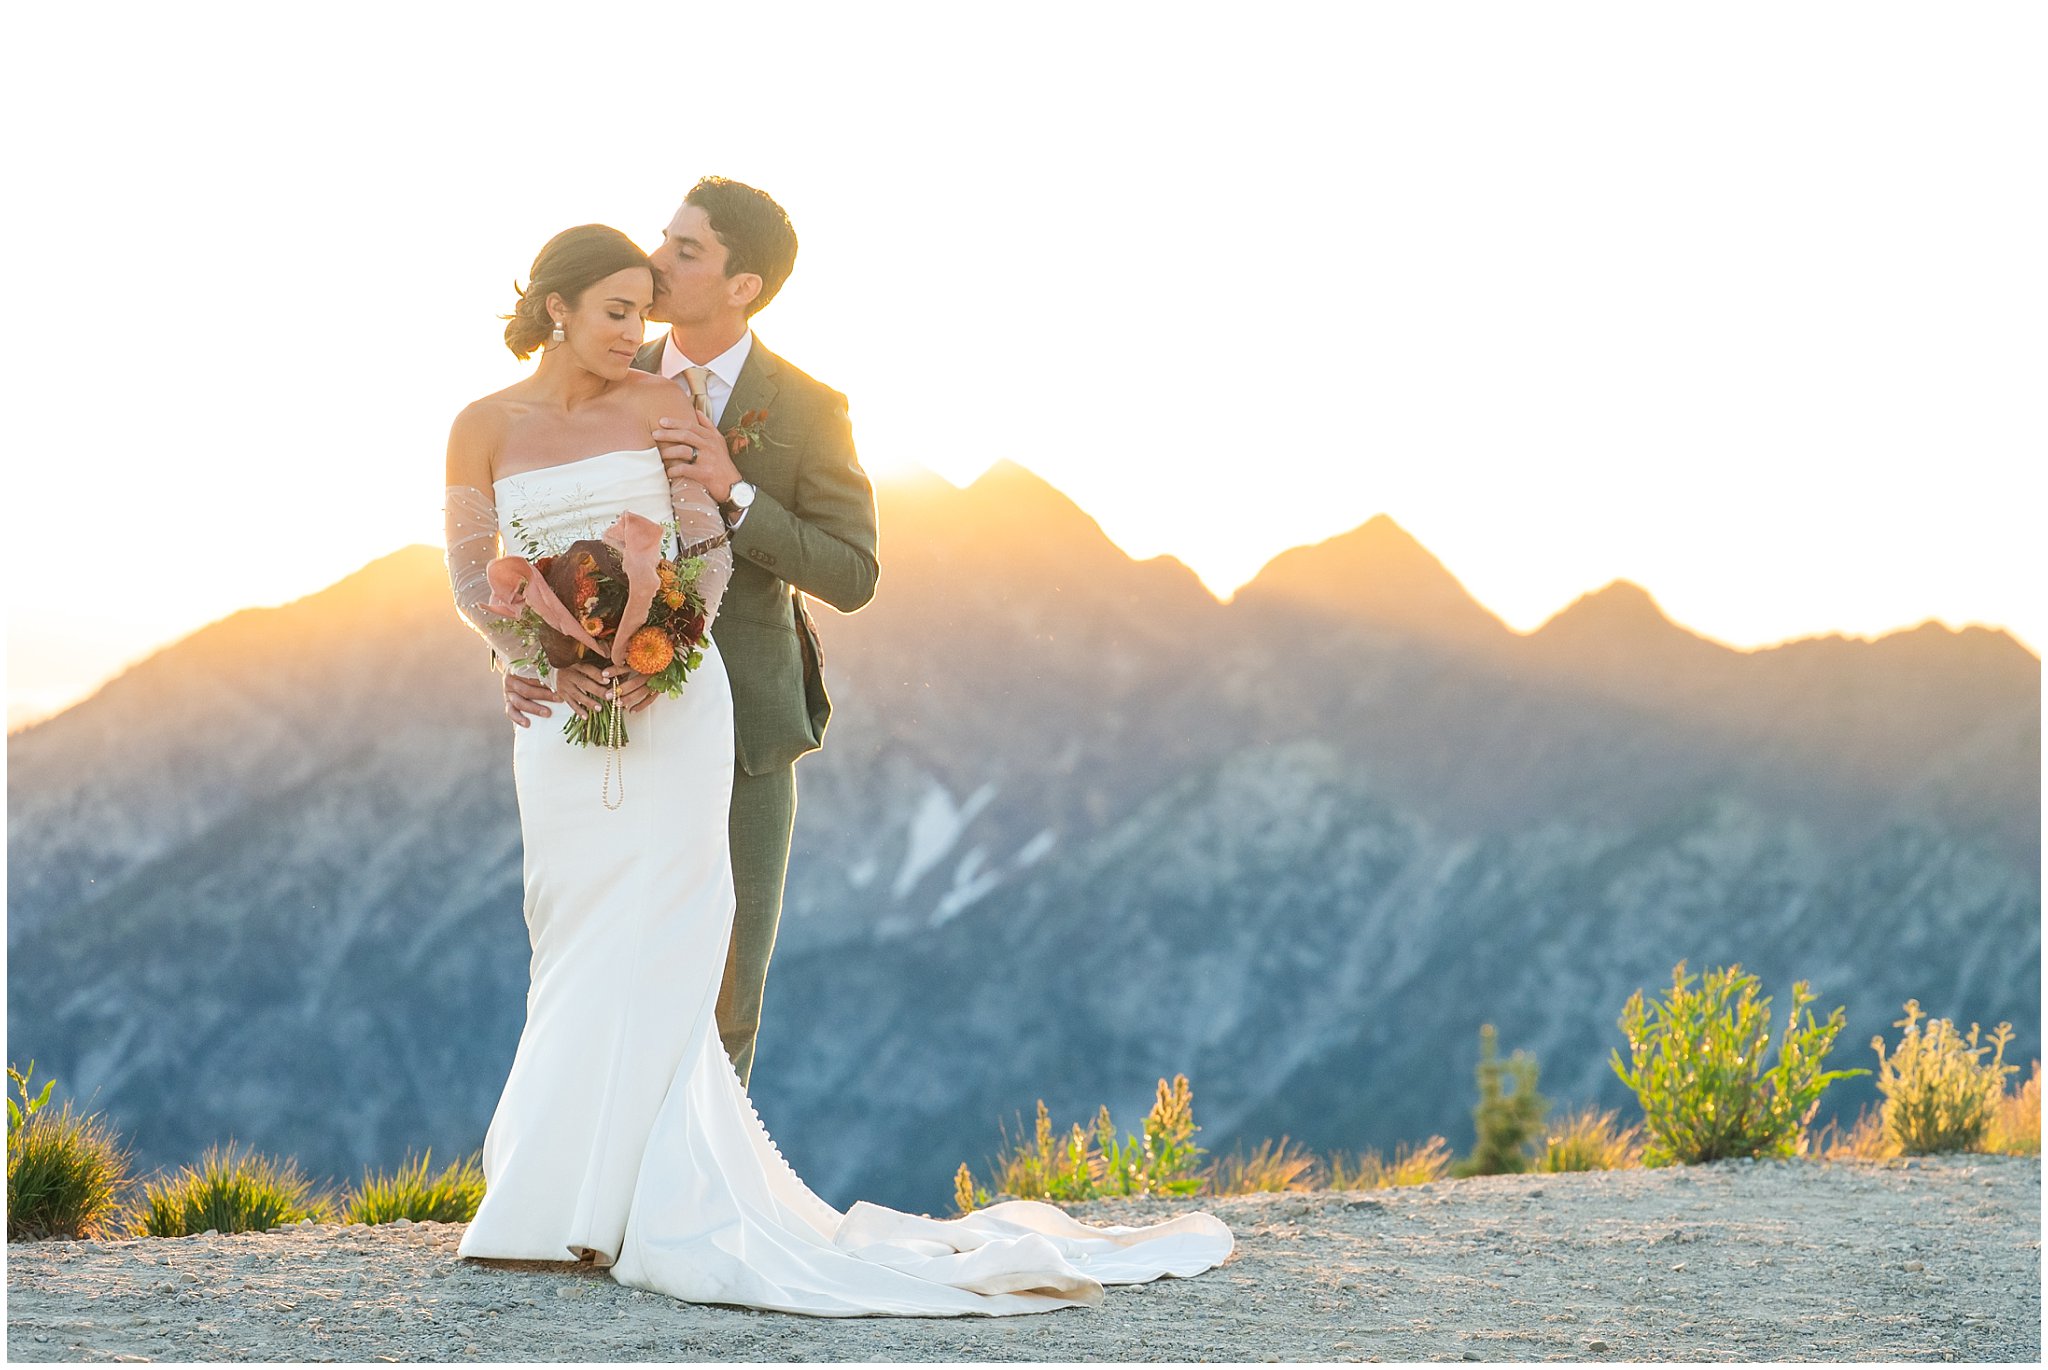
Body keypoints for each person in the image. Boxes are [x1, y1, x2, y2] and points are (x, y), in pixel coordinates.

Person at [443, 224, 1233, 1314]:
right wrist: (530, 656)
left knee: (668, 935)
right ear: (559, 306)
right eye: (619, 309)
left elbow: (704, 547)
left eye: (648, 303)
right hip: (555, 717)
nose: (640, 328)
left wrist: (649, 651)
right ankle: (542, 1202)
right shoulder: (480, 424)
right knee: (569, 931)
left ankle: (633, 1203)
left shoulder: (666, 408)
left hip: (674, 703)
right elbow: (469, 568)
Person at [500, 177, 864, 1091]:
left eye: (686, 250)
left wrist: (737, 490)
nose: (657, 262)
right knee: (608, 958)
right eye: (666, 239)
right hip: (612, 720)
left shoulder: (810, 409)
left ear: (743, 285)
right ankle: (602, 1196)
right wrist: (519, 654)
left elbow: (852, 574)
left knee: (729, 981)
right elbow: (532, 537)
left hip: (744, 727)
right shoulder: (598, 378)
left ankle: (702, 1200)